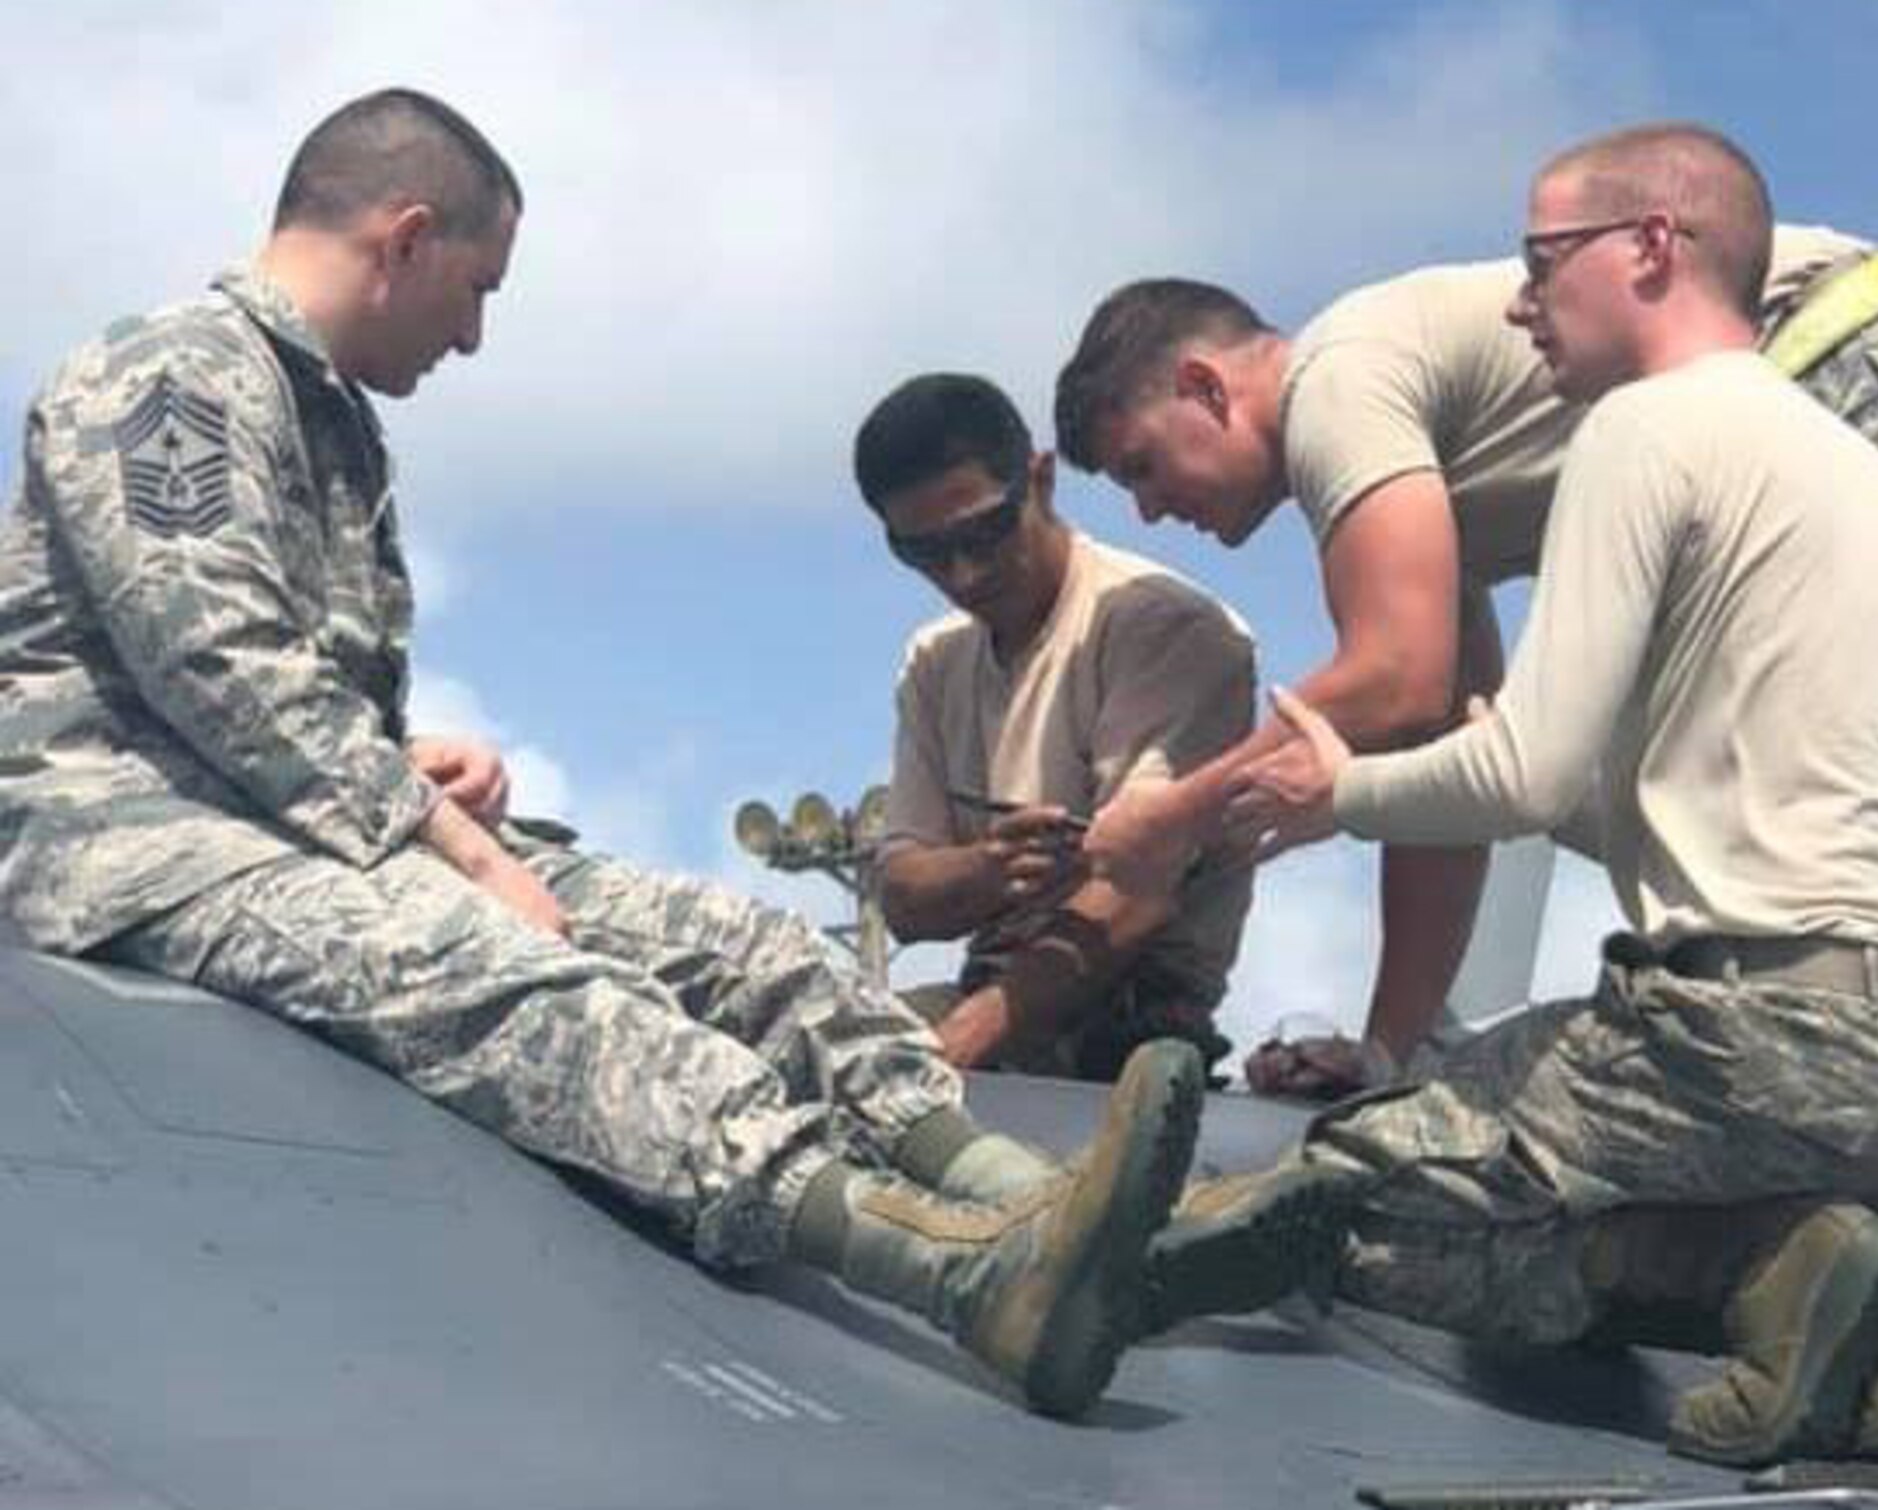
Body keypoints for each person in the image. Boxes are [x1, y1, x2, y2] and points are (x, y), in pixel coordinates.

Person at [0, 87, 1206, 1421]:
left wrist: (418, 765)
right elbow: (212, 658)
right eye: (475, 286)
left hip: (296, 812)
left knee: (739, 948)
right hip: (125, 832)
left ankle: (1027, 1200)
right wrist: (451, 845)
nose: (473, 332)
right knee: (506, 973)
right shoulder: (175, 373)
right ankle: (955, 1273)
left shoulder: (327, 418)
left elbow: (285, 693)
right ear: (403, 238)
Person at [1138, 124, 1878, 1467]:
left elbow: (1532, 770)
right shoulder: (1869, 478)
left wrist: (1343, 787)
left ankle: (1763, 1268)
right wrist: (1480, 762)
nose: (1517, 301)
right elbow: (1633, 801)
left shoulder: (1641, 429)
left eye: (1543, 263)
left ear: (1653, 248)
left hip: (1757, 1042)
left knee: (1343, 1200)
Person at [1055, 195, 1878, 1096]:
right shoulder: (1415, 491)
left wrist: (1171, 817)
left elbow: (1392, 677)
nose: (1149, 509)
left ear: (1203, 388)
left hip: (1860, 360)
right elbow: (1437, 739)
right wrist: (1388, 1054)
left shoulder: (1335, 384)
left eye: (1143, 464)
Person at [854, 373, 1256, 1080]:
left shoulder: (1163, 629)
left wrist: (952, 1051)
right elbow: (905, 896)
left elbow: (1134, 899)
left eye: (983, 532)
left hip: (1130, 1019)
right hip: (985, 991)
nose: (964, 571)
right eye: (924, 553)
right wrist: (985, 871)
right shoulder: (934, 660)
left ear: (1040, 480)